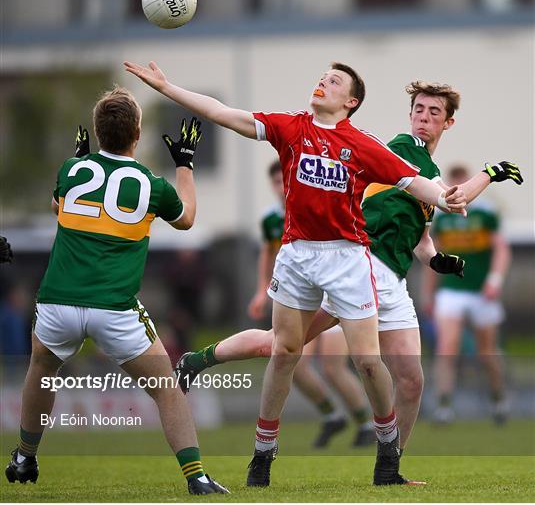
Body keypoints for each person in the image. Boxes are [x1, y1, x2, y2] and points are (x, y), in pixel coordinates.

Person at [124, 59, 469, 487]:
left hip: (347, 259)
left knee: (366, 361)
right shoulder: (292, 127)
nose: (323, 82)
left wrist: (448, 198)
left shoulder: (362, 144)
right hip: (297, 256)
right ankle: (263, 456)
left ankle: (387, 454)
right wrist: (166, 87)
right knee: (284, 352)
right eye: (322, 78)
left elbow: (417, 184)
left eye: (334, 81)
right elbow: (221, 113)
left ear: (351, 101)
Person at [173, 81, 523, 471]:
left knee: (410, 381)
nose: (424, 117)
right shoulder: (407, 148)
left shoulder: (428, 169)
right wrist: (490, 173)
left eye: (433, 113)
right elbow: (454, 198)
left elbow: (421, 238)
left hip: (393, 279)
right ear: (410, 116)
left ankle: (390, 469)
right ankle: (195, 360)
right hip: (360, 268)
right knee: (283, 347)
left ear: (449, 122)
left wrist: (437, 260)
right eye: (419, 110)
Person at [4, 88, 228, 495]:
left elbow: (60, 207)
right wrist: (185, 164)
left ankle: (24, 455)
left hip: (58, 302)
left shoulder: (71, 170)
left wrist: (80, 159)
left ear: (96, 131)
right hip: (114, 308)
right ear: (138, 134)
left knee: (42, 371)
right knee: (166, 389)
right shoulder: (150, 184)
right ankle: (196, 477)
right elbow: (187, 219)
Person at [248, 160, 376, 448]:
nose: (281, 187)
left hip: (334, 298)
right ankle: (332, 415)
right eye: (276, 182)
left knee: (332, 366)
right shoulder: (271, 219)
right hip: (300, 300)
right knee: (294, 362)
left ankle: (366, 422)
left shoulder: (321, 207)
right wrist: (260, 289)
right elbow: (267, 254)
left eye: (285, 179)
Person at [423, 164, 513, 425]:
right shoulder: (442, 219)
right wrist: (428, 294)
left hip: (481, 293)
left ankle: (498, 398)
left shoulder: (485, 214)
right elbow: (432, 256)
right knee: (447, 348)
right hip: (452, 291)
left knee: (487, 352)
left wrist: (495, 281)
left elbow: (502, 250)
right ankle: (443, 406)